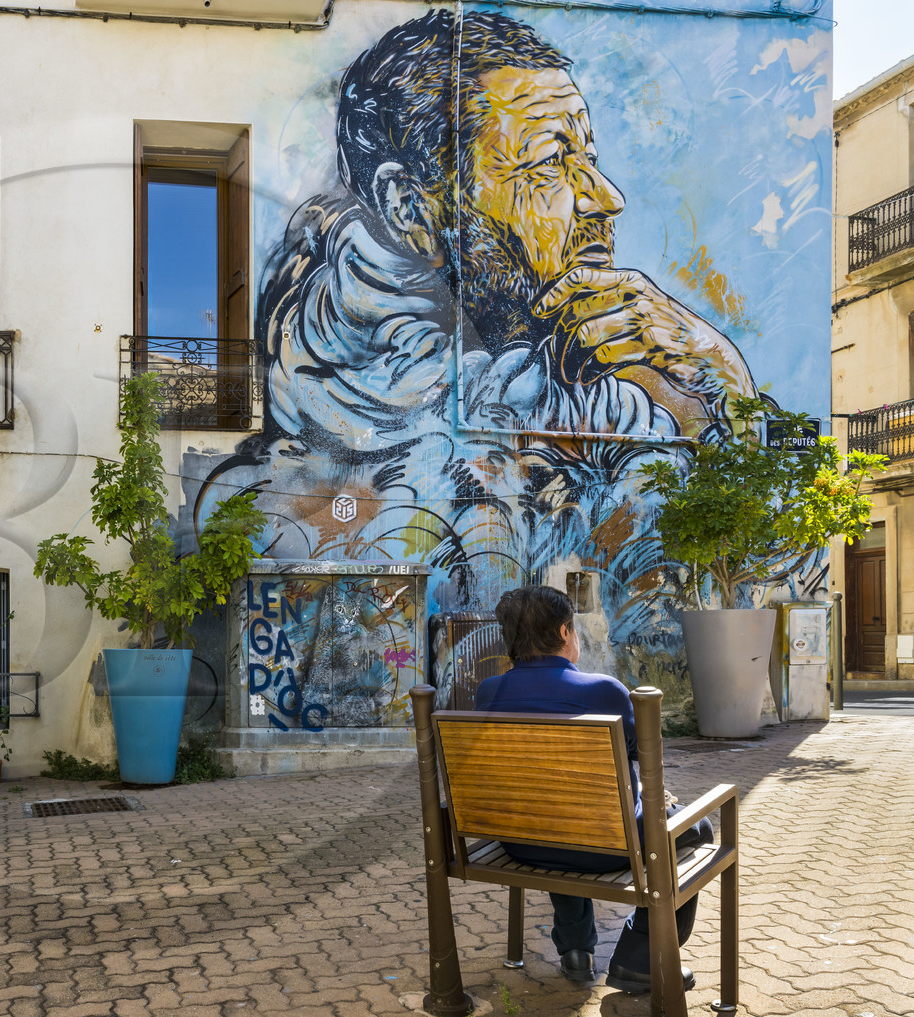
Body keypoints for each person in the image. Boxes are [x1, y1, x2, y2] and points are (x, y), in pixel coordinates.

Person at [190, 8, 763, 650]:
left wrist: (706, 365)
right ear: (411, 204)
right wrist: (704, 381)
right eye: (549, 167)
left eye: (588, 162)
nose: (605, 197)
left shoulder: (556, 354)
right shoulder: (384, 374)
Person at [473, 584, 713, 994]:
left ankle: (576, 951)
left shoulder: (488, 693)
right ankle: (640, 955)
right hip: (607, 847)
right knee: (699, 827)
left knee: (552, 809)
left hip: (522, 841)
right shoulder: (603, 691)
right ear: (566, 633)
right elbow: (641, 753)